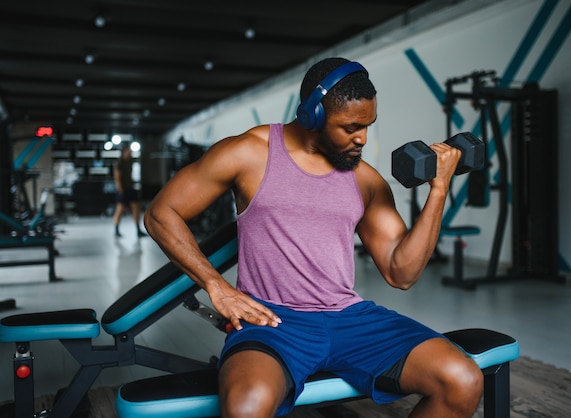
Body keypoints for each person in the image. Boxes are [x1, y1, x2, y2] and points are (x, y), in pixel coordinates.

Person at [144, 57, 483, 418]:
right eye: (351, 127)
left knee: (461, 379)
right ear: (312, 116)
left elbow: (402, 273)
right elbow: (161, 213)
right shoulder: (249, 152)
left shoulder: (366, 180)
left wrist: (439, 189)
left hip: (349, 317)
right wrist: (217, 286)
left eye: (369, 126)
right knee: (246, 406)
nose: (362, 139)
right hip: (273, 322)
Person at [113, 144, 146, 237]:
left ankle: (138, 230)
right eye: (129, 151)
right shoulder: (120, 162)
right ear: (125, 151)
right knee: (119, 209)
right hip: (123, 189)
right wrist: (120, 190)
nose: (131, 153)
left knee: (136, 208)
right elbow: (117, 177)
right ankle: (116, 230)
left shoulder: (130, 161)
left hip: (130, 188)